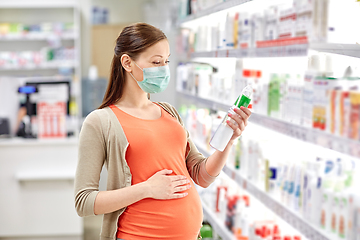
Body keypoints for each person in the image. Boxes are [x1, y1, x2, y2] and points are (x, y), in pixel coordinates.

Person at [74, 22, 251, 240]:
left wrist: (229, 140)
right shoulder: (100, 121)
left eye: (166, 61)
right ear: (127, 63)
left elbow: (202, 175)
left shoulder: (169, 112)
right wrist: (146, 189)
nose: (164, 69)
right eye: (156, 62)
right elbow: (83, 202)